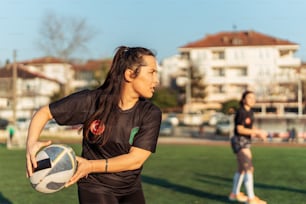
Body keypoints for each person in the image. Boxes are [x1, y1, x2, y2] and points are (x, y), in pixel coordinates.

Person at [26, 46, 162, 204]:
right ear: (130, 74)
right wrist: (31, 143)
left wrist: (90, 165)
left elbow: (135, 160)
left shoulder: (150, 113)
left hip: (130, 188)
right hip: (95, 187)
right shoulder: (91, 101)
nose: (156, 80)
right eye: (152, 72)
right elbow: (44, 113)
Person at [229, 90, 268, 204]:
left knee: (241, 169)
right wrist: (257, 132)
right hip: (239, 141)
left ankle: (234, 194)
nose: (252, 100)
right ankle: (251, 198)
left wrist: (256, 132)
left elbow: (249, 127)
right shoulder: (241, 112)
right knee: (248, 168)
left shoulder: (250, 112)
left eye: (254, 98)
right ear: (243, 99)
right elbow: (239, 129)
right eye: (250, 97)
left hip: (245, 140)